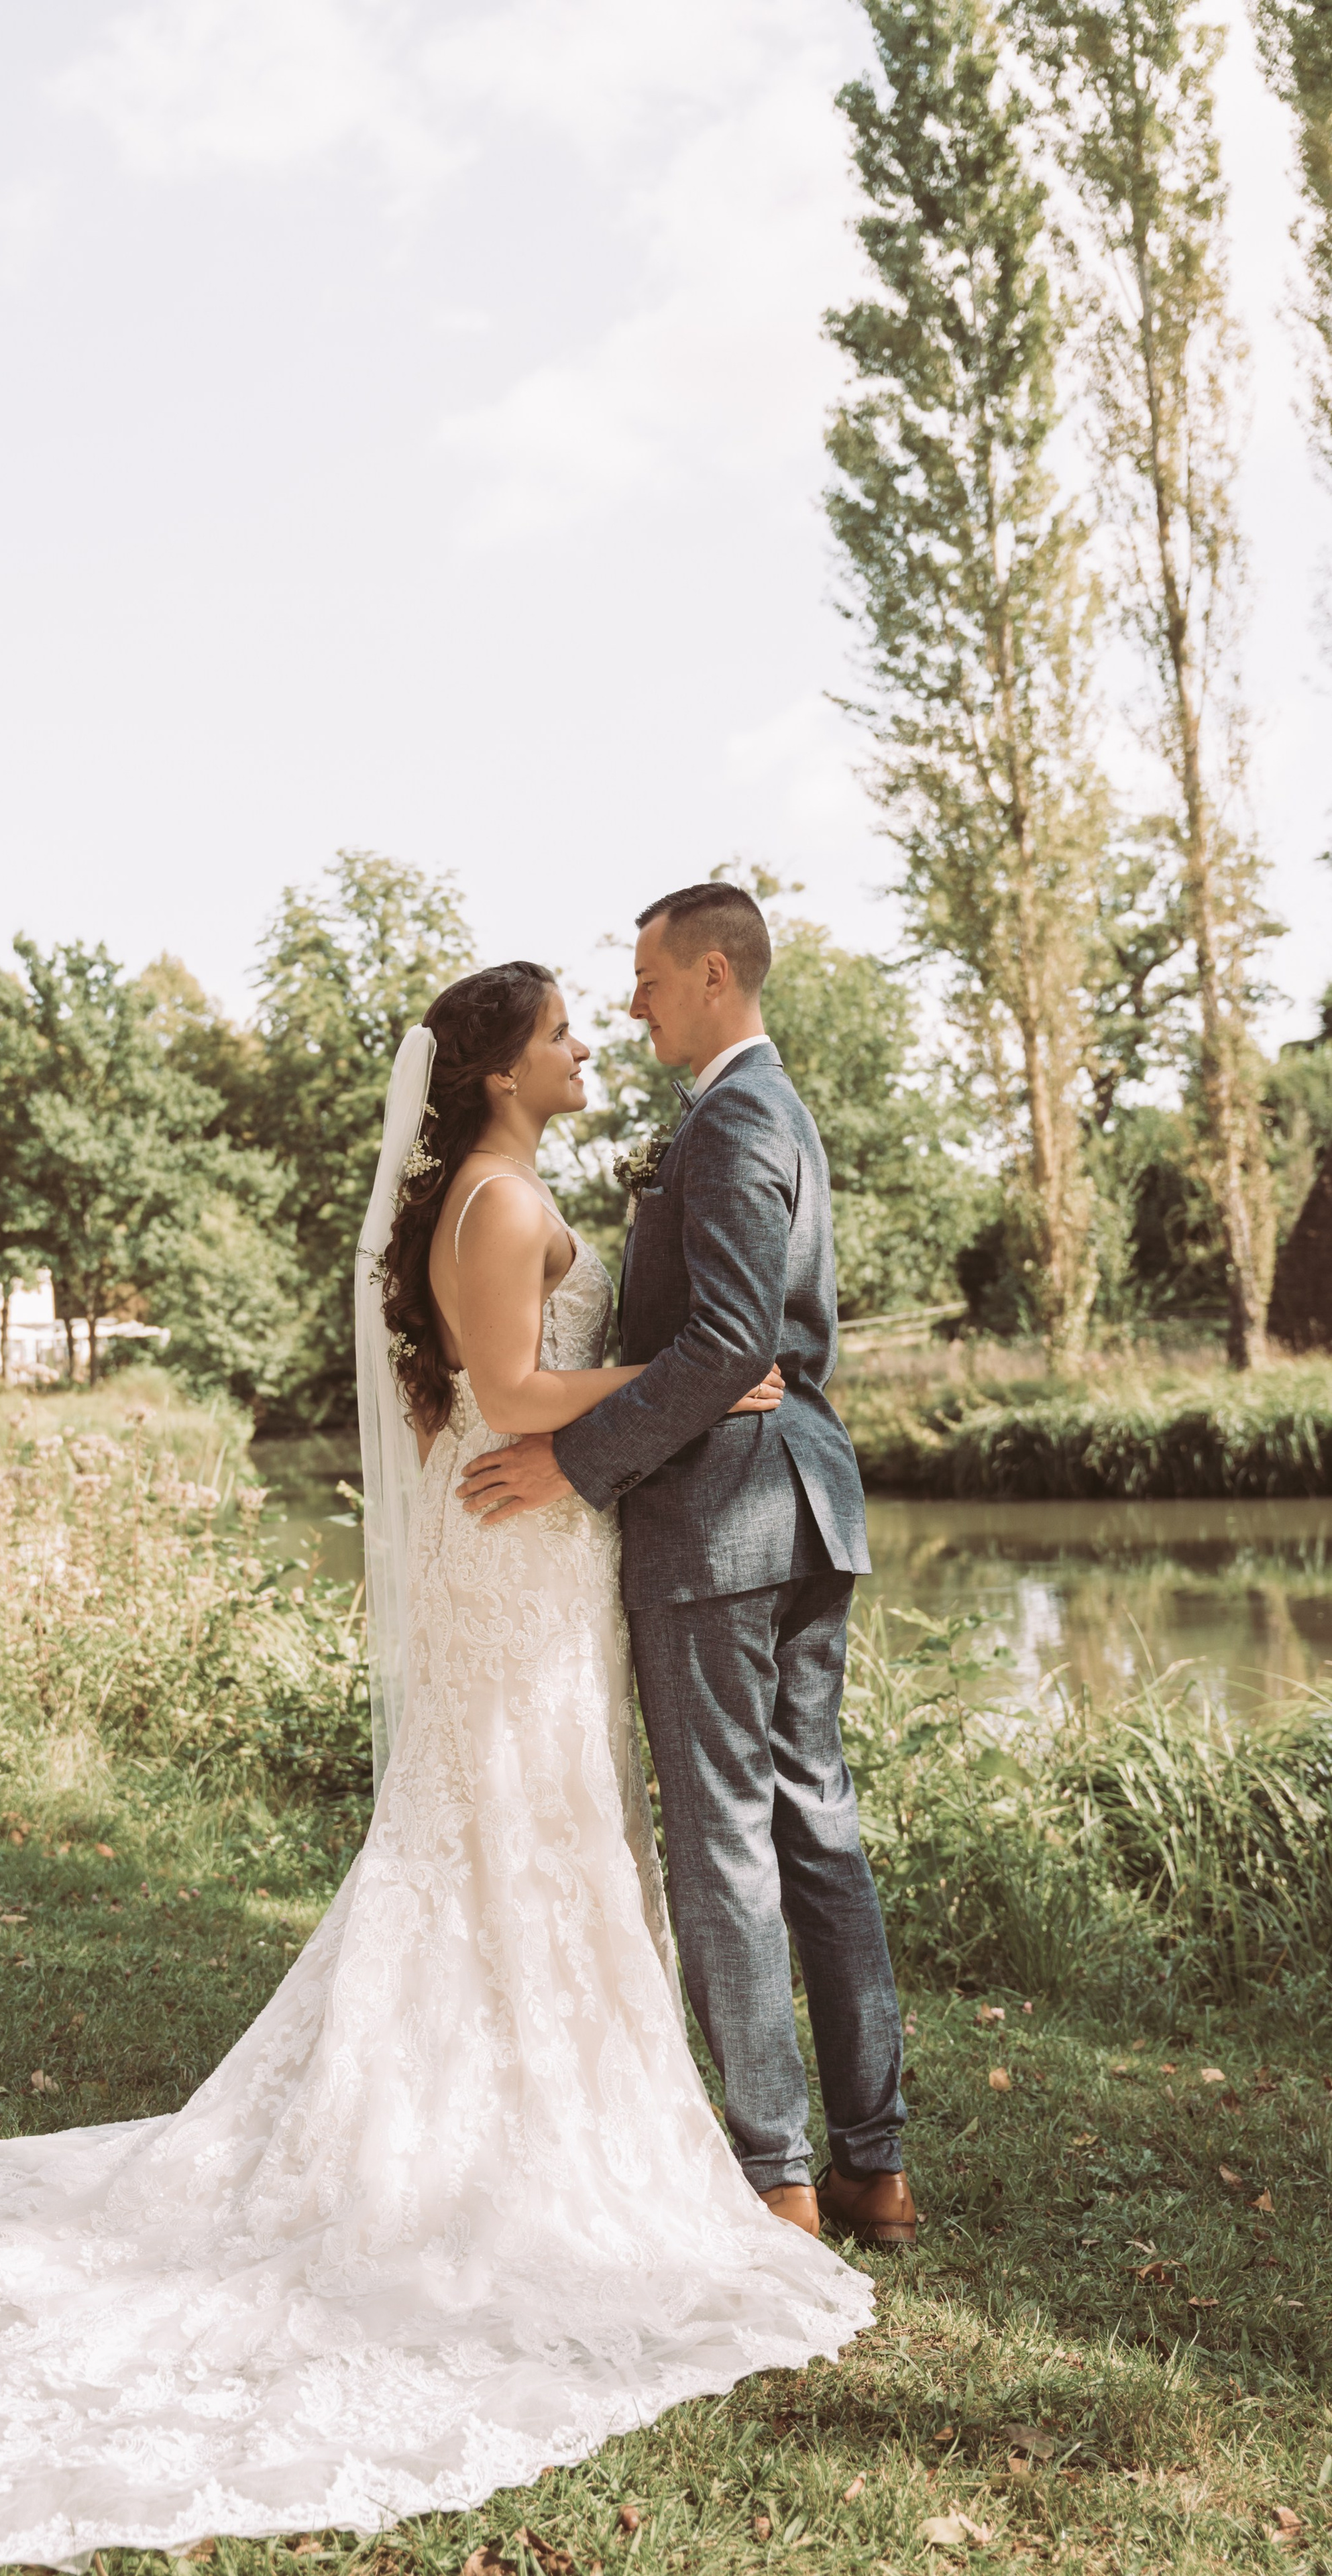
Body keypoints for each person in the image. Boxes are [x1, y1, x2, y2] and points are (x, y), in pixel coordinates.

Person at [0, 958, 873, 2573]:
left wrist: (600, 1424)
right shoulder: (497, 1201)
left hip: (527, 1547)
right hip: (519, 1545)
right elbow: (505, 1391)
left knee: (527, 1827)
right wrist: (664, 1386)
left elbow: (482, 1397)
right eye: (563, 1030)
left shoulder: (492, 1187)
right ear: (499, 1071)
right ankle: (513, 2125)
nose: (586, 1045)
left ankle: (560, 2100)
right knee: (510, 1823)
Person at [456, 887, 915, 2250]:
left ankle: (778, 2175)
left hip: (722, 1522)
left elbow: (726, 1342)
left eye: (649, 978)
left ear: (714, 974)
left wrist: (575, 1461)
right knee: (814, 1823)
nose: (632, 1002)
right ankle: (874, 2167)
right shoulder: (767, 1108)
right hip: (803, 1504)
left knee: (724, 1841)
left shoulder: (730, 1120)